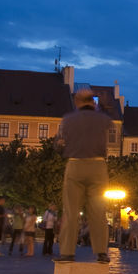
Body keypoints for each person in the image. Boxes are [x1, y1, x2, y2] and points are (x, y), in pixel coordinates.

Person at [54, 88, 113, 264]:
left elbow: (58, 145)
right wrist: (103, 106)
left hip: (75, 164)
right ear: (92, 102)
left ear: (77, 102)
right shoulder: (102, 118)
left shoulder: (68, 119)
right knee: (98, 211)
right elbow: (109, 120)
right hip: (98, 166)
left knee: (71, 212)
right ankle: (101, 252)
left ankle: (67, 253)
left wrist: (60, 146)